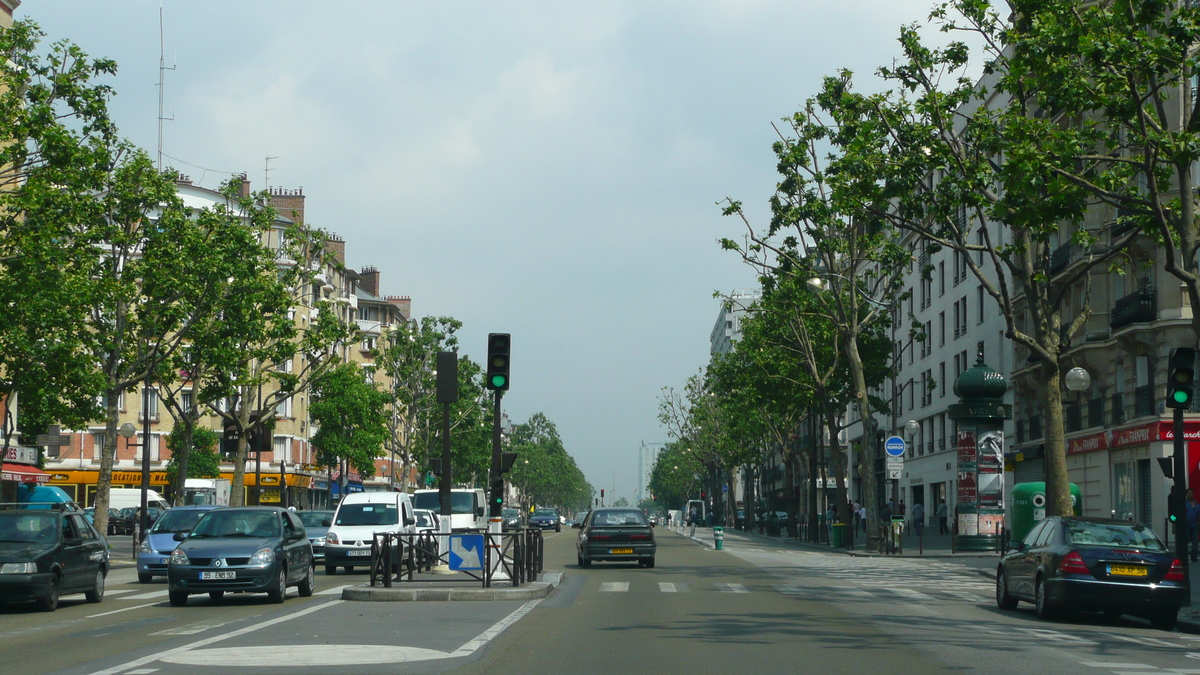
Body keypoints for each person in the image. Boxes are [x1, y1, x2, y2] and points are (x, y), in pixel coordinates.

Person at [1187, 489, 1200, 562]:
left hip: (1194, 524)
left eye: (1192, 493)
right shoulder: (1184, 503)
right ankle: (1183, 555)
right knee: (1186, 540)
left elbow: (1198, 516)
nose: (1190, 494)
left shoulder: (1196, 504)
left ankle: (1194, 556)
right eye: (1189, 493)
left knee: (1195, 541)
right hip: (1186, 525)